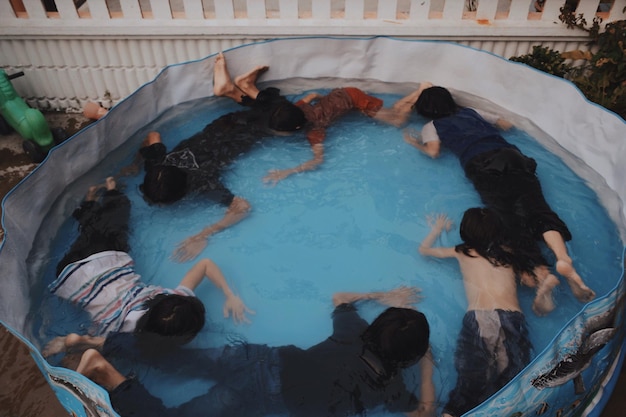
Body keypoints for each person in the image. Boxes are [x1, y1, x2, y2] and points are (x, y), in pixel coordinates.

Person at [51, 286, 436, 417]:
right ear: (409, 356)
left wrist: (384, 294)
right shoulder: (389, 388)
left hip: (263, 356)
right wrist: (427, 367)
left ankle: (91, 342)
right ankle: (104, 371)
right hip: (259, 393)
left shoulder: (355, 330)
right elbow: (426, 412)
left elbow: (339, 297)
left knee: (179, 360)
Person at [404, 85, 595, 305]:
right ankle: (562, 258)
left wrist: (415, 143)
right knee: (538, 208)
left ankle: (542, 273)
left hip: (483, 167)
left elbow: (434, 152)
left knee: (508, 219)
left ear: (425, 110)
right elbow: (506, 123)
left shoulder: (432, 126)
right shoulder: (472, 112)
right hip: (513, 157)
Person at [129, 52, 306, 262]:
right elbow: (153, 136)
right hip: (221, 125)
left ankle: (237, 89)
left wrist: (203, 235)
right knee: (270, 114)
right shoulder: (158, 165)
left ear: (184, 190)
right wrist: (136, 162)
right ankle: (234, 90)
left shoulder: (202, 183)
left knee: (291, 123)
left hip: (240, 138)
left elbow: (242, 208)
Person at [45, 177, 253, 355]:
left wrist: (229, 294)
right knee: (90, 235)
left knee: (112, 221)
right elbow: (100, 343)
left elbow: (205, 265)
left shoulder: (168, 296)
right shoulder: (128, 337)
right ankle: (102, 196)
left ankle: (106, 194)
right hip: (68, 275)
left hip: (105, 260)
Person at [418, 209, 544, 417]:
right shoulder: (508, 253)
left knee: (471, 377)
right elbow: (530, 282)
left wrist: (437, 229)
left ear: (465, 233)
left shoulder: (462, 252)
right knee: (513, 375)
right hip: (511, 317)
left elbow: (424, 250)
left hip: (478, 317)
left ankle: (453, 413)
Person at [263, 82, 434, 184]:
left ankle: (422, 91)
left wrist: (289, 171)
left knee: (398, 121)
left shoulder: (315, 131)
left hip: (356, 100)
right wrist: (329, 104)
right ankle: (420, 91)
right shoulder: (299, 106)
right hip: (344, 93)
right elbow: (313, 95)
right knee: (390, 113)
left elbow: (318, 160)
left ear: (297, 128)